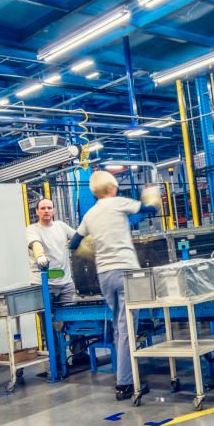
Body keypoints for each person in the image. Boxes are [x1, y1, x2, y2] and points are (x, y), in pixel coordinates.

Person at [69, 171, 161, 401]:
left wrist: (94, 245)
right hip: (126, 272)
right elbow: (150, 210)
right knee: (127, 328)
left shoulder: (90, 214)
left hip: (105, 276)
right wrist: (150, 194)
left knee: (119, 327)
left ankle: (125, 378)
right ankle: (126, 384)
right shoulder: (118, 203)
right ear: (112, 188)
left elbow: (74, 243)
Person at [25, 198, 77, 303]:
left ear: (54, 210)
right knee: (47, 318)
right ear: (37, 211)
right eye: (43, 208)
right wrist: (40, 256)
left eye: (49, 208)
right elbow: (35, 243)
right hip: (42, 284)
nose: (46, 210)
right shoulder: (32, 229)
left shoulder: (61, 226)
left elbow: (78, 237)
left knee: (70, 316)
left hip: (66, 284)